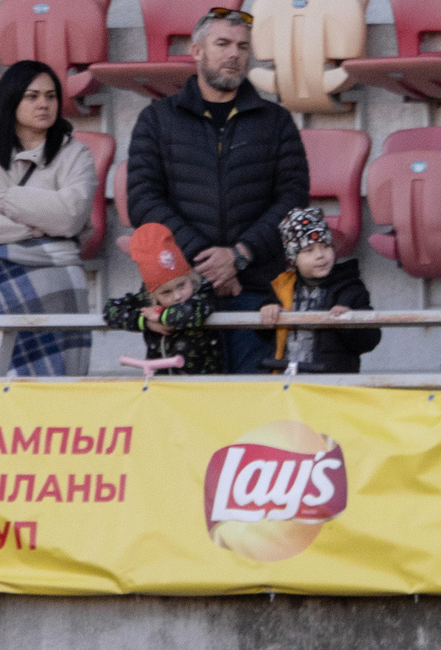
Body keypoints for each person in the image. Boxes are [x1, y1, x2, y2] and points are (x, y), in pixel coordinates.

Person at [124, 5, 310, 376]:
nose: (234, 54)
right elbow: (143, 200)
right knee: (187, 405)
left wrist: (240, 255)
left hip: (256, 292)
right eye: (223, 44)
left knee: (252, 400)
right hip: (181, 293)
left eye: (242, 47)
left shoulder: (276, 121)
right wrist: (207, 262)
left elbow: (293, 200)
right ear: (196, 51)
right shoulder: (157, 119)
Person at [0, 61, 98, 376]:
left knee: (57, 387)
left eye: (51, 96)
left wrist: (2, 201)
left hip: (57, 273)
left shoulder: (75, 154)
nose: (44, 104)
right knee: (0, 382)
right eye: (32, 96)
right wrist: (37, 228)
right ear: (11, 100)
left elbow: (70, 217)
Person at [257, 206, 379, 374]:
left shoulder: (351, 288)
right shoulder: (281, 287)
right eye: (309, 250)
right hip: (286, 381)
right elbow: (264, 337)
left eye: (326, 246)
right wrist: (267, 312)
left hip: (330, 384)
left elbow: (370, 340)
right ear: (293, 259)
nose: (320, 255)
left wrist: (350, 323)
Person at [101, 224, 222, 373]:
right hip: (160, 382)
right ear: (153, 294)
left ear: (190, 277)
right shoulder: (147, 301)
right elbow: (110, 310)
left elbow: (191, 314)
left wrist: (161, 316)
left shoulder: (202, 293)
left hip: (204, 382)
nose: (177, 296)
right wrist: (146, 322)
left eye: (181, 285)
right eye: (166, 293)